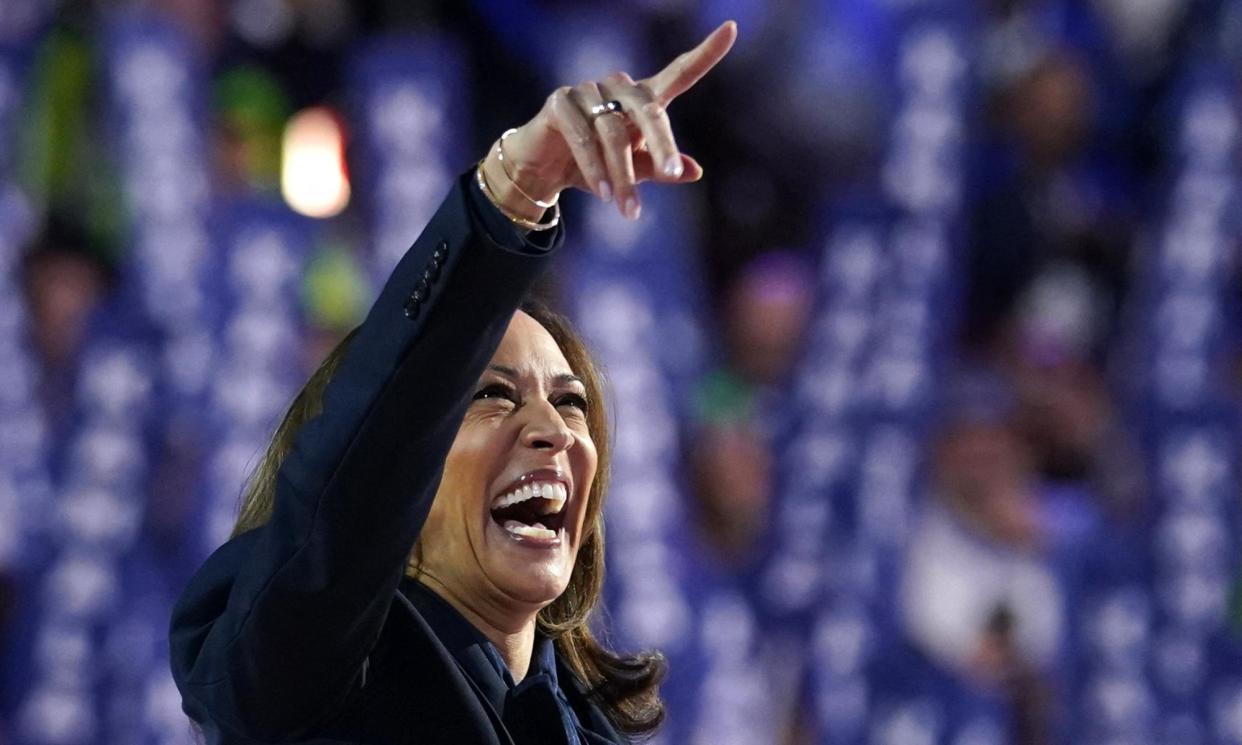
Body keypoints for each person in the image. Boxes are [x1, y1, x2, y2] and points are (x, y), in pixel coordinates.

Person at [169, 21, 738, 745]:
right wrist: (508, 199)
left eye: (571, 402)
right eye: (492, 394)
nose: (554, 430)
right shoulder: (300, 683)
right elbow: (351, 483)